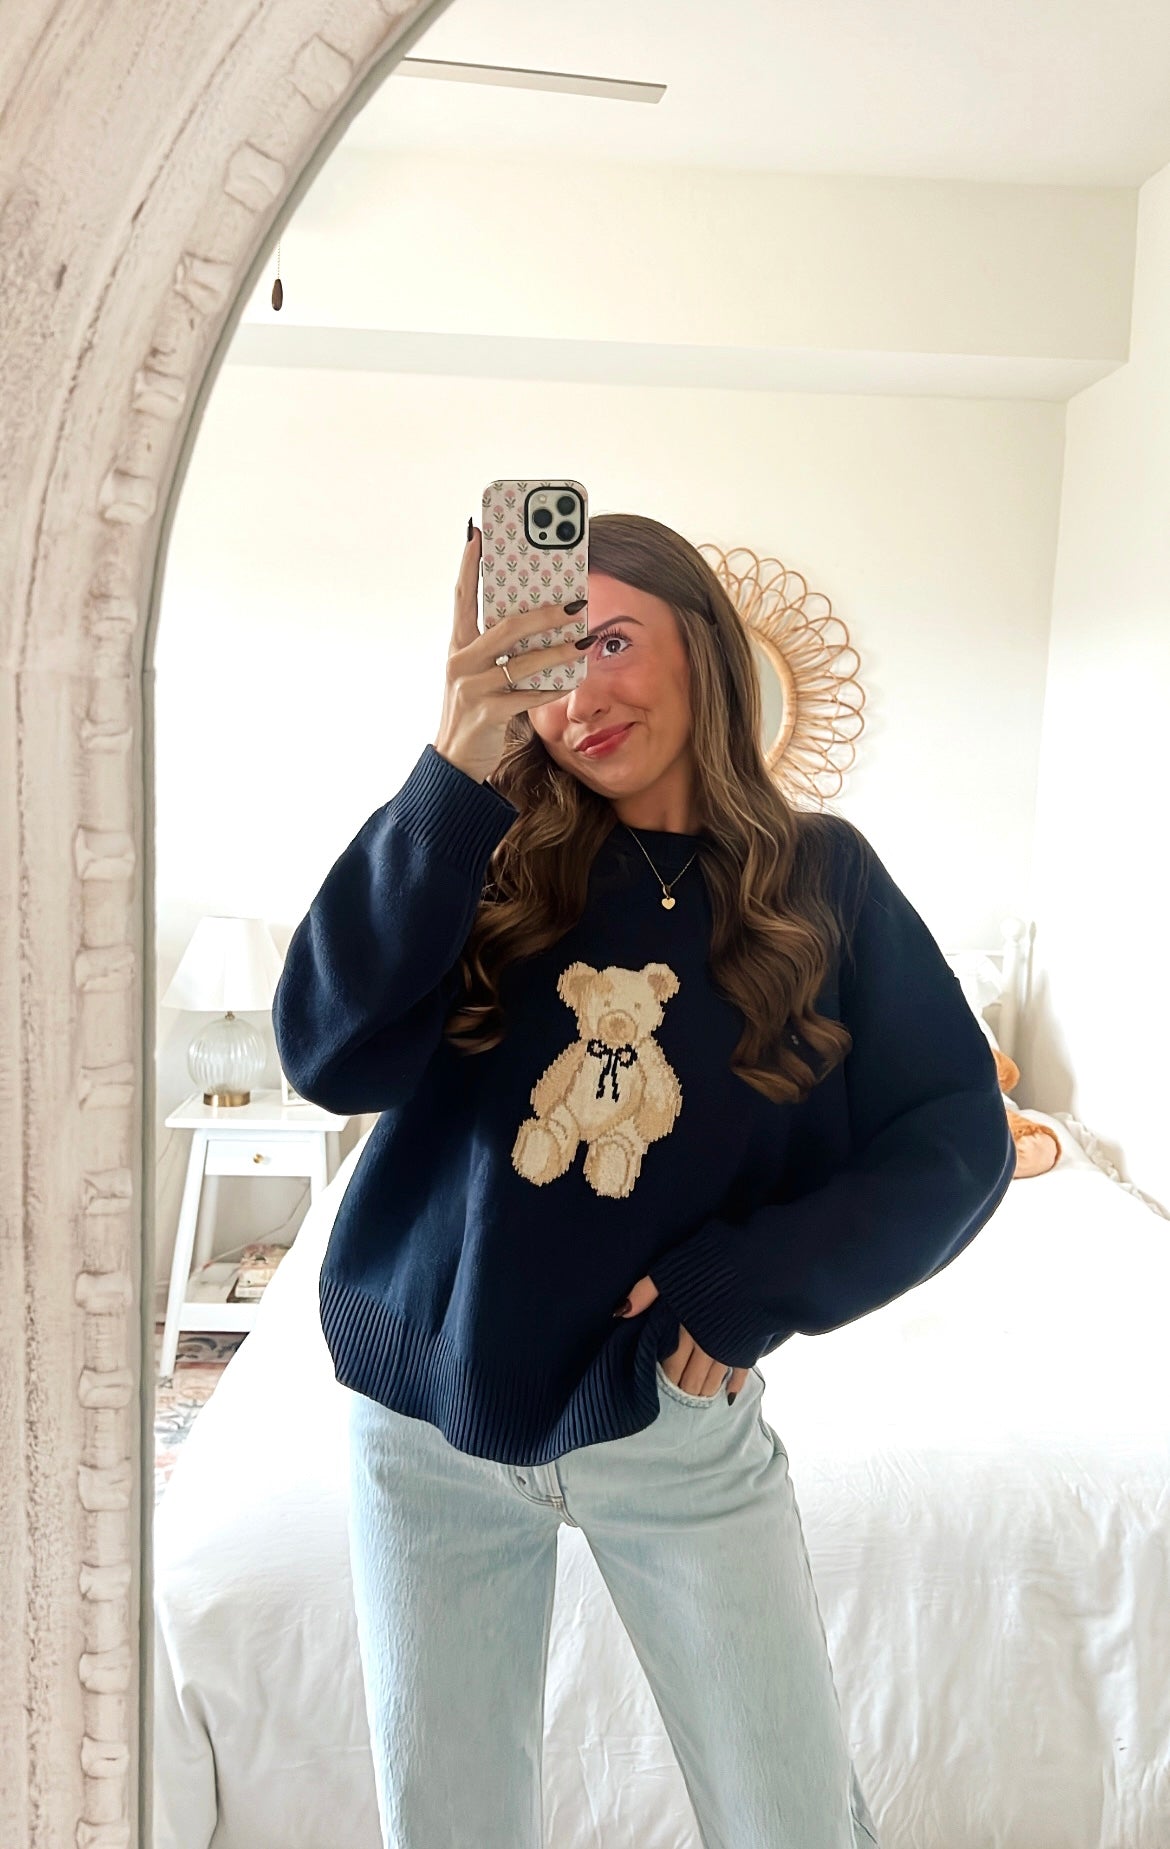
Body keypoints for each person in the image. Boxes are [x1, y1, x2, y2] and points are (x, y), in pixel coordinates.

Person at [272, 510, 1015, 1849]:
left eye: (612, 641)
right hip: (423, 1417)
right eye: (552, 660)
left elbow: (958, 1134)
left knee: (790, 1823)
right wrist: (453, 762)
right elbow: (327, 1054)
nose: (582, 697)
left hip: (666, 1421)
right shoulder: (482, 849)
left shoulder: (824, 879)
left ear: (703, 647)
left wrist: (748, 1289)